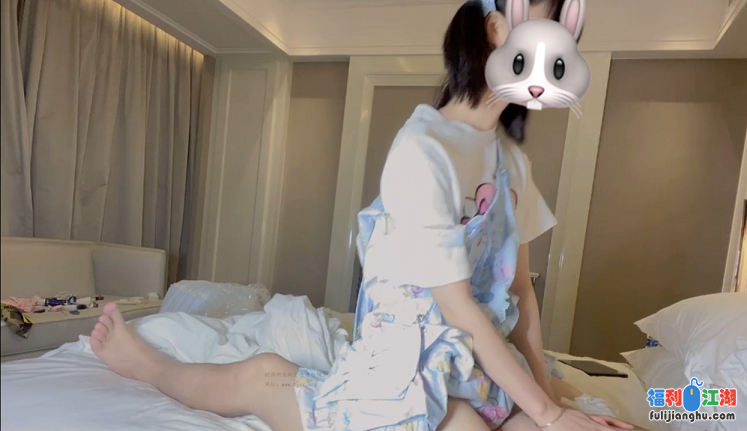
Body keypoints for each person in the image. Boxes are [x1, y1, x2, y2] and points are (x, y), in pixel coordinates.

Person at [88, 1, 635, 431]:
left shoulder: (513, 164)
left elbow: (522, 294)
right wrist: (547, 412)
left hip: (477, 363)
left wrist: (546, 399)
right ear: (495, 28)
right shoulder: (423, 148)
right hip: (406, 363)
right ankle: (146, 365)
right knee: (262, 378)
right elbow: (457, 305)